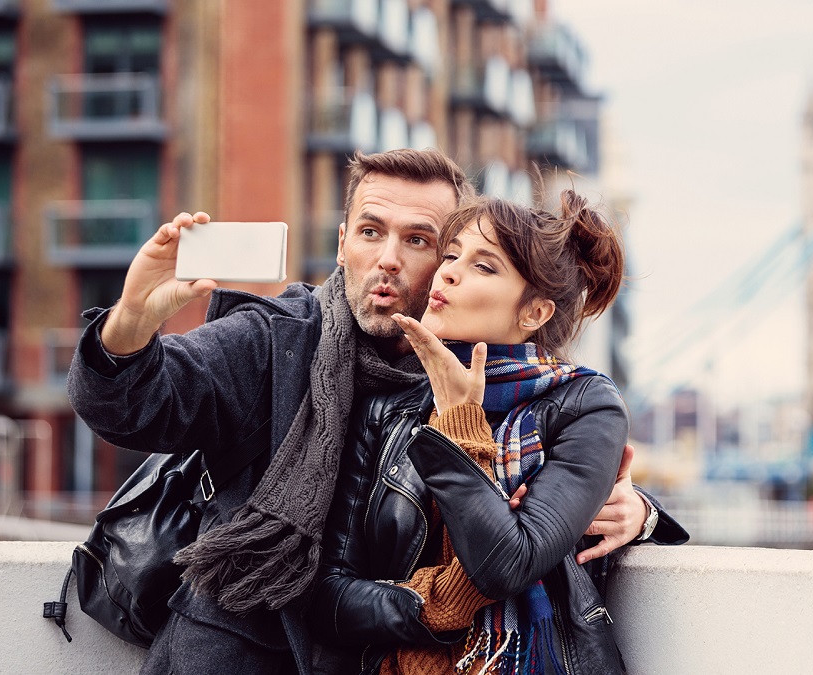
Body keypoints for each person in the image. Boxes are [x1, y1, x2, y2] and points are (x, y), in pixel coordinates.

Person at [66, 149, 682, 675]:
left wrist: (636, 511)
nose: (388, 258)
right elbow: (139, 408)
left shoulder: (466, 380)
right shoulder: (277, 338)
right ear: (341, 244)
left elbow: (540, 490)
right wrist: (129, 325)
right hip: (233, 649)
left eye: (418, 240)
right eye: (369, 232)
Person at [313, 192, 688, 674]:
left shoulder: (584, 405)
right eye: (451, 256)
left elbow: (507, 563)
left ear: (533, 313)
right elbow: (328, 598)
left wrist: (457, 422)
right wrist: (434, 606)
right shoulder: (388, 410)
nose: (446, 273)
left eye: (483, 266)